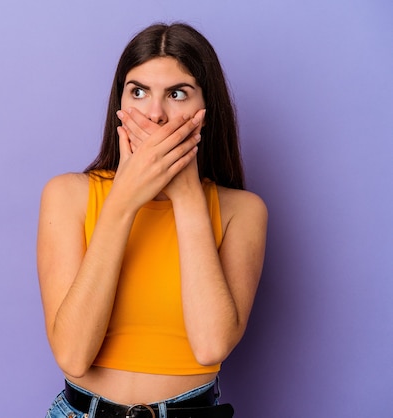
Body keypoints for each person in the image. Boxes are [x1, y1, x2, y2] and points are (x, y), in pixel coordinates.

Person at [37, 22, 267, 418]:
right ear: (120, 105)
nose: (156, 114)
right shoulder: (67, 195)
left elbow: (211, 346)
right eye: (139, 91)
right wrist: (123, 201)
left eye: (177, 93)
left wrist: (187, 194)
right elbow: (73, 356)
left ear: (205, 110)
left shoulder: (242, 211)